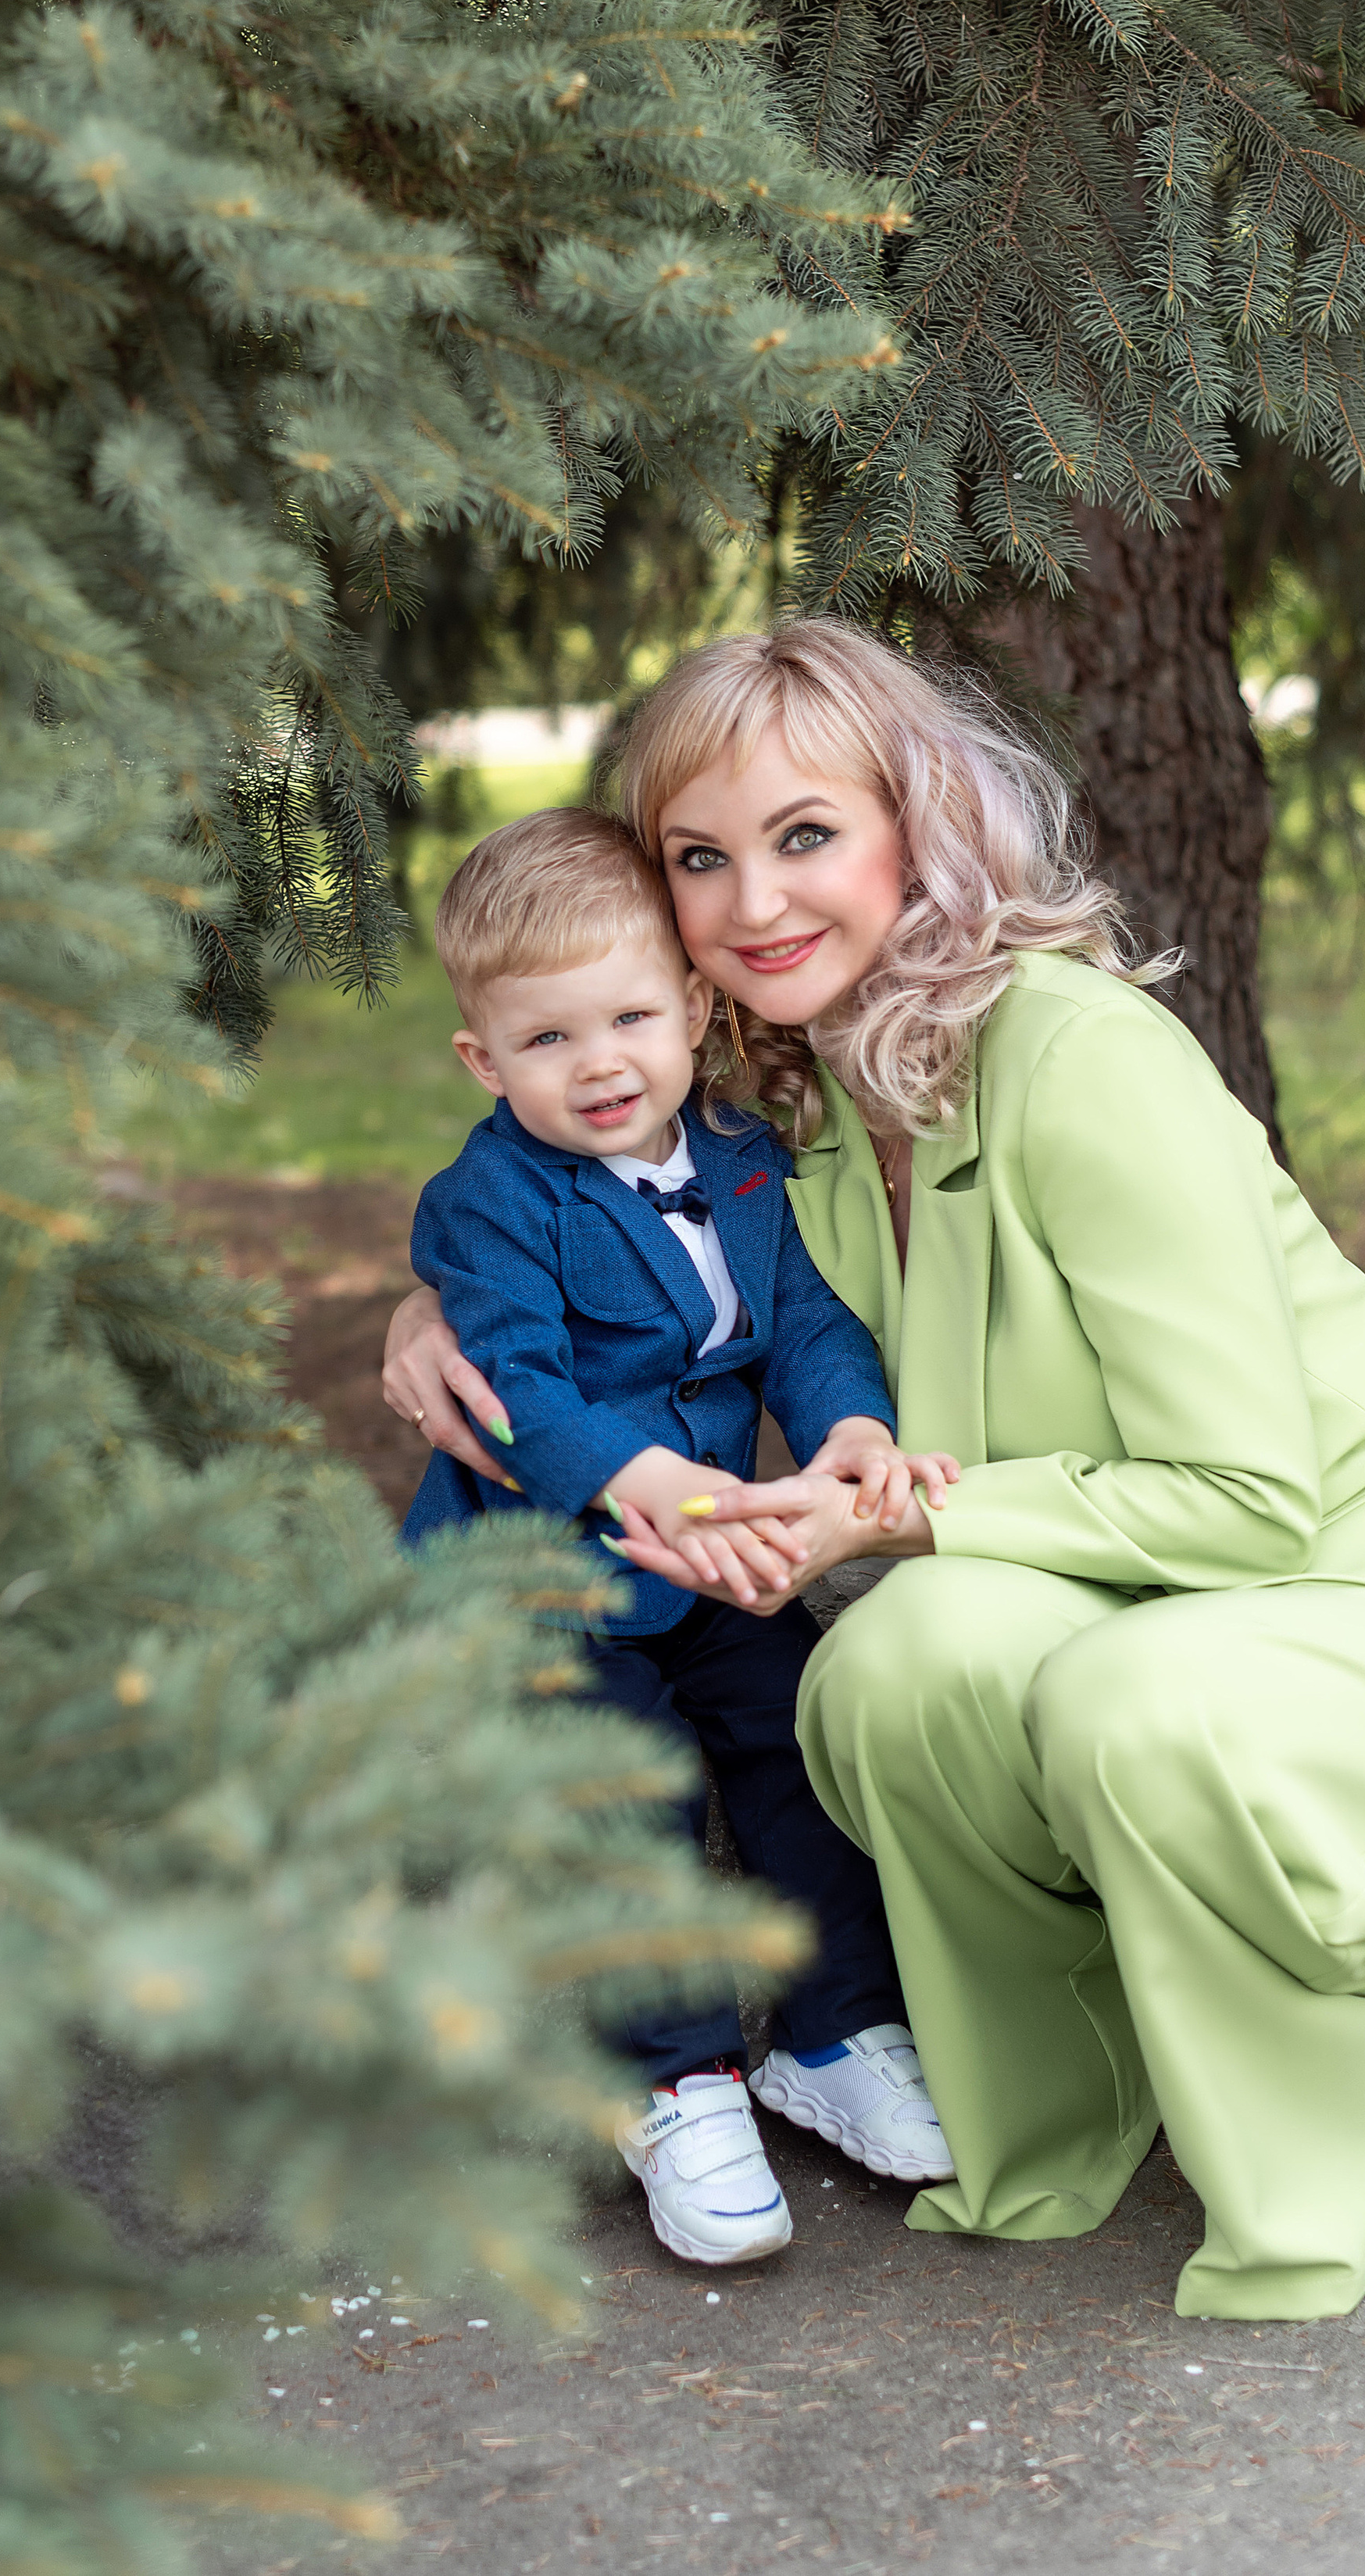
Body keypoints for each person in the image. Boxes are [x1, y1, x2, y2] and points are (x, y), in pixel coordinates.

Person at [387, 621, 1365, 2323]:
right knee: (886, 1671)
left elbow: (1250, 1505)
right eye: (699, 858)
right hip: (1156, 1616)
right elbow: (600, 1215)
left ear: (914, 825)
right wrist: (432, 1303)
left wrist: (894, 1503)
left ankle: (1346, 2042)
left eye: (804, 835)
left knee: (1126, 1701)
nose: (751, 901)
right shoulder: (802, 1111)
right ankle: (1086, 2084)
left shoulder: (1079, 1055)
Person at [400, 805, 960, 2267]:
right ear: (483, 1057)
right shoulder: (490, 1203)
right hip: (555, 1573)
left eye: (632, 1017)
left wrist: (850, 1430)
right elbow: (518, 1390)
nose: (598, 1065)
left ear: (696, 1009)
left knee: (798, 1736)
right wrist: (666, 1491)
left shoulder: (739, 1151)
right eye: (546, 1039)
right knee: (626, 1789)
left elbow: (804, 1327)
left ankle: (836, 2034)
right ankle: (674, 2081)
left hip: (711, 1553)